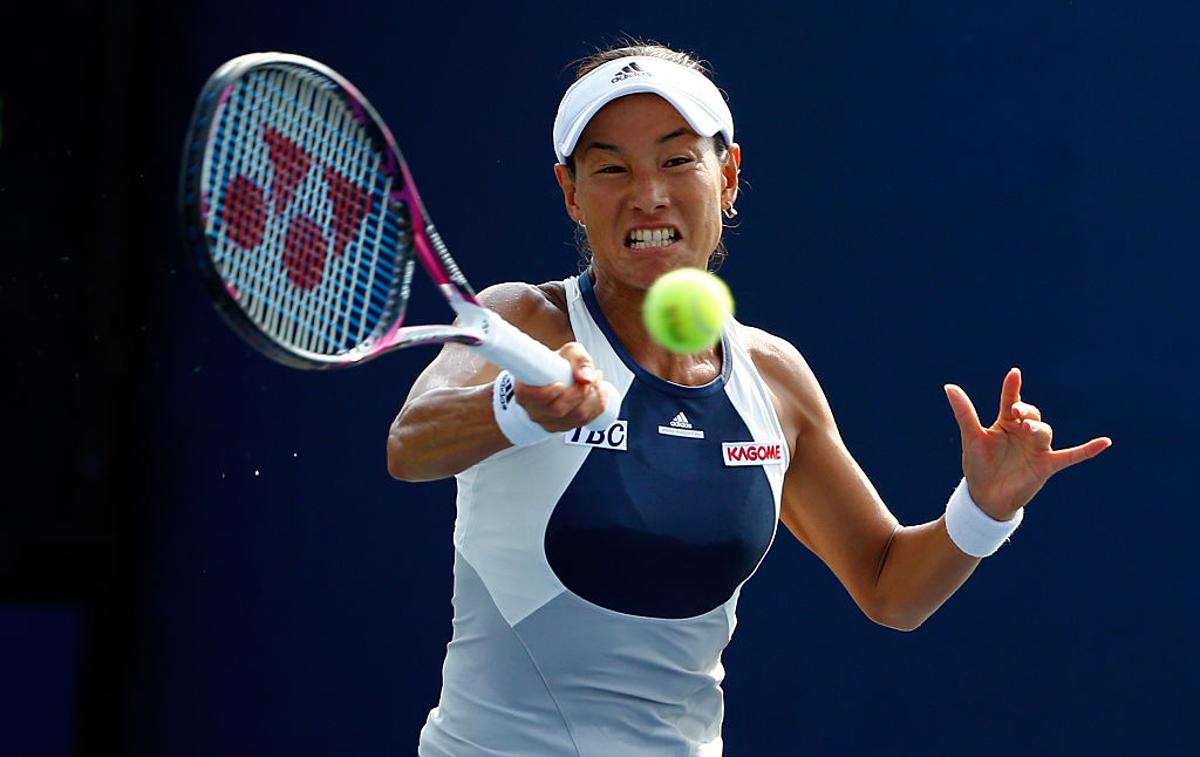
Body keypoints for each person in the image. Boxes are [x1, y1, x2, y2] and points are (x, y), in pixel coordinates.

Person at [387, 42, 1111, 757]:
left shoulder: (774, 376)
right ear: (572, 193)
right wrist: (517, 407)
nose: (648, 194)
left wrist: (984, 508)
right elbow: (410, 443)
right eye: (611, 168)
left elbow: (892, 587)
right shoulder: (522, 318)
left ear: (728, 175)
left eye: (677, 159)